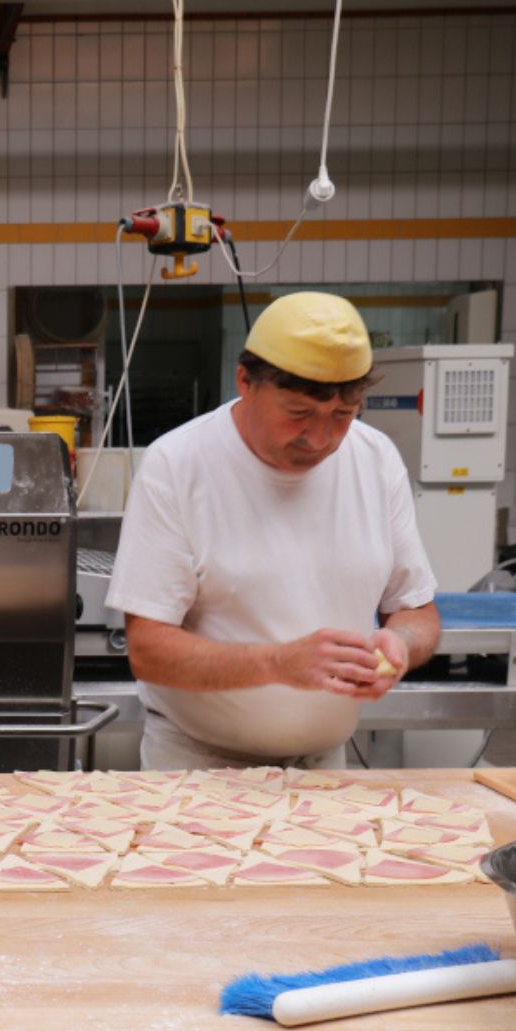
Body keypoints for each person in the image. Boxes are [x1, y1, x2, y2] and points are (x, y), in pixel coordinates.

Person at [104, 291, 441, 770]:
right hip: (199, 768)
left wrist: (400, 645)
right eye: (299, 414)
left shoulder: (376, 458)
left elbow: (416, 610)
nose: (321, 439)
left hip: (325, 765)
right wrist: (277, 664)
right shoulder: (178, 465)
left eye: (344, 415)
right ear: (245, 381)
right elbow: (149, 650)